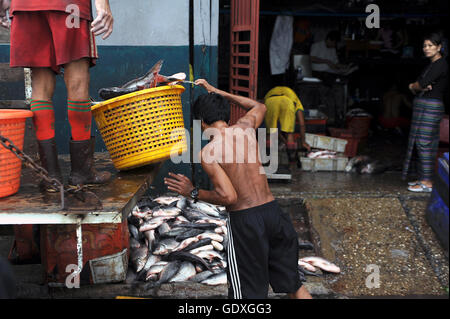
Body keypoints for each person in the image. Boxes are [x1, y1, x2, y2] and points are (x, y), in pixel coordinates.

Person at [164, 79, 312, 300]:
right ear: (226, 116)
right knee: (294, 285)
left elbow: (229, 196)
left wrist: (193, 192)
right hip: (273, 214)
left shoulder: (209, 152)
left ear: (202, 123)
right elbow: (260, 106)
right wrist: (218, 91)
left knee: (246, 296)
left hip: (247, 223)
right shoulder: (245, 128)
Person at [0, 0, 113, 192]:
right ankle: (81, 172)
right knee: (77, 81)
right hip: (69, 5)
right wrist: (103, 5)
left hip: (25, 6)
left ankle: (50, 176)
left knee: (40, 84)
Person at [403, 32, 448, 193]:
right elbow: (420, 86)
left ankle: (427, 181)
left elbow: (420, 84)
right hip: (425, 105)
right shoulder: (431, 65)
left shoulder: (440, 64)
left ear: (439, 47)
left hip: (431, 106)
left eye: (430, 46)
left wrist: (414, 86)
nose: (426, 49)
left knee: (424, 143)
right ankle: (423, 178)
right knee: (422, 142)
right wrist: (416, 86)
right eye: (424, 46)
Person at [264, 86, 311, 164]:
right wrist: (303, 142)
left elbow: (275, 130)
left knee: (270, 132)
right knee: (289, 133)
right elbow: (302, 124)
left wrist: (285, 141)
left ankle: (268, 160)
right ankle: (292, 161)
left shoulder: (272, 92)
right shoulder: (297, 101)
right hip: (287, 102)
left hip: (269, 101)